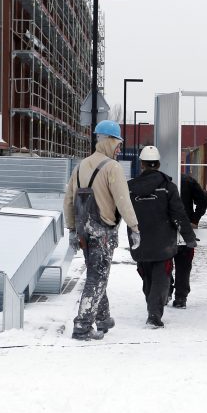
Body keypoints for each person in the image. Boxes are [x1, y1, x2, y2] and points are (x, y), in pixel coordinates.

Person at [63, 120, 140, 340]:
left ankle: (103, 317)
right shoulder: (112, 167)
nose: (119, 148)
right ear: (108, 141)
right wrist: (134, 227)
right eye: (117, 143)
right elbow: (123, 200)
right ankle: (82, 327)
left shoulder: (80, 166)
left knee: (96, 274)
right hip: (102, 233)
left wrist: (71, 229)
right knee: (97, 278)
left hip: (84, 232)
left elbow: (69, 200)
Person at [127, 146, 197, 327]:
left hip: (140, 242)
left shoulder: (130, 188)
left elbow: (120, 212)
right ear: (158, 164)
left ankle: (152, 306)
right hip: (163, 243)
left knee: (147, 276)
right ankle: (154, 314)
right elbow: (178, 214)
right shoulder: (168, 187)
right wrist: (189, 238)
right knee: (161, 277)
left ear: (141, 164)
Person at [169, 173, 207, 309]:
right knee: (184, 265)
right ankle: (180, 298)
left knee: (163, 263)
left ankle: (166, 291)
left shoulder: (162, 179)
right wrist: (194, 219)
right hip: (186, 228)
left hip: (166, 230)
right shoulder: (188, 180)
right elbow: (202, 200)